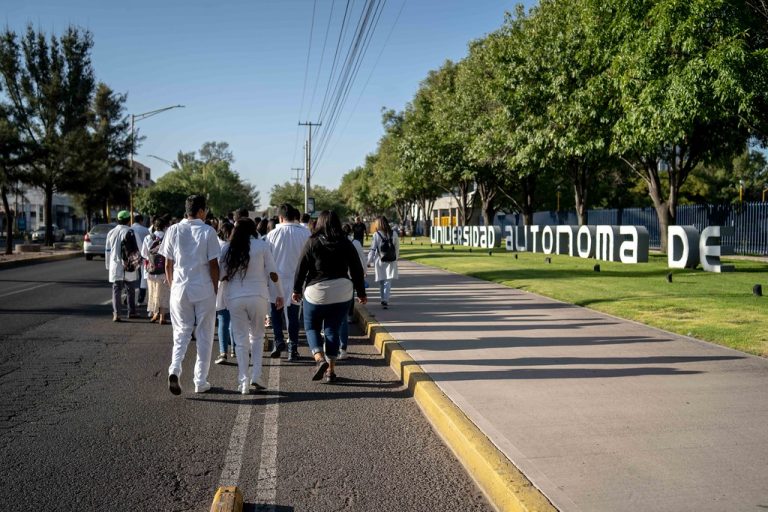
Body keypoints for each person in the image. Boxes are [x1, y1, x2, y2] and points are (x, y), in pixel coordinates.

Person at [292, 210, 367, 383]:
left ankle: (319, 359)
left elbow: (301, 268)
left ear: (319, 223)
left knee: (311, 327)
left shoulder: (312, 242)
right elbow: (356, 269)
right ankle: (331, 371)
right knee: (332, 329)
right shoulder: (346, 243)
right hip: (342, 291)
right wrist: (361, 293)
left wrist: (296, 289)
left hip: (316, 291)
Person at [160, 195, 221, 395]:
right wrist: (215, 288)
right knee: (204, 335)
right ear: (201, 211)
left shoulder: (173, 230)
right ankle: (200, 381)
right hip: (203, 288)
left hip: (179, 288)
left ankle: (175, 369)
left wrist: (172, 284)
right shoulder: (208, 231)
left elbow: (168, 264)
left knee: (181, 333)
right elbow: (213, 265)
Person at [220, 218, 284, 394]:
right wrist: (279, 293)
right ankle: (256, 375)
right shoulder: (261, 246)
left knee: (240, 341)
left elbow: (223, 276)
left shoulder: (226, 248)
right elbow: (272, 272)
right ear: (253, 230)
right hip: (259, 296)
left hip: (235, 297)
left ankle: (243, 382)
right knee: (257, 337)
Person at [265, 203, 310, 360]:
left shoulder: (272, 235)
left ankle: (278, 341)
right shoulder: (305, 233)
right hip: (297, 280)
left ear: (280, 217)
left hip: (275, 280)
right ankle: (293, 348)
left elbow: (267, 261)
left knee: (275, 312)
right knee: (293, 316)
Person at [105, 210, 140, 322]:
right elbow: (138, 249)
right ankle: (132, 312)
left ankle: (117, 314)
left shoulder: (111, 233)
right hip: (129, 265)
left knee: (116, 289)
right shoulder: (131, 231)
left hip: (116, 265)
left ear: (117, 220)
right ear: (129, 220)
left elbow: (107, 251)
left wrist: (108, 266)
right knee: (130, 289)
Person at [339, 223, 367, 359]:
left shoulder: (336, 242)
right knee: (348, 298)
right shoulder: (355, 242)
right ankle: (349, 315)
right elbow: (361, 259)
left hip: (340, 278)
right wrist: (364, 272)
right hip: (351, 277)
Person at [141, 217, 171, 325]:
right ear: (164, 226)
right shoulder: (168, 238)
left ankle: (155, 314)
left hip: (151, 270)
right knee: (163, 292)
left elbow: (144, 254)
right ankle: (163, 316)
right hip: (163, 270)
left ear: (154, 226)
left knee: (153, 292)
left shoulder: (148, 238)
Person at [367, 215, 399, 309]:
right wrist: (395, 258)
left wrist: (369, 261)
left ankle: (383, 299)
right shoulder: (394, 233)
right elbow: (397, 247)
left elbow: (372, 249)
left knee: (381, 280)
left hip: (380, 260)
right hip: (391, 260)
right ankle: (385, 299)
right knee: (388, 281)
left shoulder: (376, 235)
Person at [215, 222, 234, 364]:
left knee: (223, 319)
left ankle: (223, 352)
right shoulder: (233, 247)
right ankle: (234, 348)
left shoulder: (216, 246)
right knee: (233, 319)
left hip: (220, 285)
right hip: (235, 286)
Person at [131, 214, 151, 305]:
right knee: (142, 279)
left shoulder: (129, 229)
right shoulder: (145, 230)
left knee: (130, 279)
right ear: (141, 221)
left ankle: (127, 298)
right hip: (142, 257)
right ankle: (140, 300)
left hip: (130, 257)